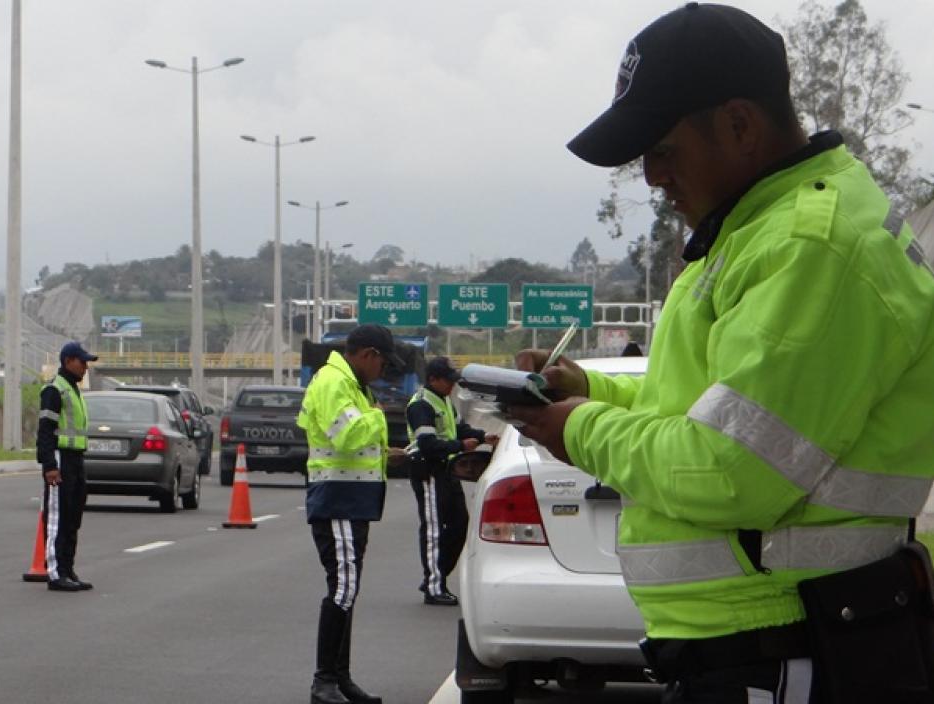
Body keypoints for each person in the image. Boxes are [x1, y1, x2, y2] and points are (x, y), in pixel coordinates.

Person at [508, 4, 934, 702]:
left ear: (740, 125)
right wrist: (592, 389)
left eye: (663, 150)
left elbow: (734, 472)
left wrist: (580, 427)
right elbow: (719, 411)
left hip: (786, 644)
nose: (650, 176)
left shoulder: (809, 246)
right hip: (767, 641)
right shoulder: (762, 231)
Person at [297, 324, 405, 704]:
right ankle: (323, 682)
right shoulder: (333, 382)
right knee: (342, 588)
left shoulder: (353, 384)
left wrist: (385, 452)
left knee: (348, 588)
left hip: (354, 499)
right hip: (338, 499)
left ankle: (340, 679)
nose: (382, 371)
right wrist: (378, 417)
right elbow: (345, 436)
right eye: (382, 363)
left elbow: (348, 440)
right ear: (367, 354)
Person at [405, 357, 497, 606]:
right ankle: (434, 587)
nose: (452, 387)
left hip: (448, 469)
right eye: (448, 381)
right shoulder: (421, 406)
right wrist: (460, 446)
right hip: (429, 471)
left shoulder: (444, 401)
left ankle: (436, 576)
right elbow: (428, 444)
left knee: (460, 524)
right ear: (433, 379)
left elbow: (460, 429)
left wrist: (483, 436)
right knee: (434, 530)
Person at [36, 341, 98, 592]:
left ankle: (67, 568)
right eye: (82, 362)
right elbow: (45, 431)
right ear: (68, 360)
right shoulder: (55, 390)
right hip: (60, 459)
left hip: (76, 459)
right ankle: (55, 572)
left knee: (73, 517)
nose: (85, 367)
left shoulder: (73, 389)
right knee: (57, 518)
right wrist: (49, 465)